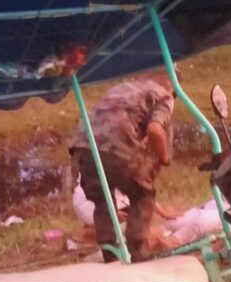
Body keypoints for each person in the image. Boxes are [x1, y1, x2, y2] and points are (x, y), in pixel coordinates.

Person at [70, 70, 174, 262]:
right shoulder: (164, 95)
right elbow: (155, 130)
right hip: (116, 145)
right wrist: (164, 157)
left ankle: (110, 254)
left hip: (83, 145)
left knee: (103, 200)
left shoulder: (122, 88)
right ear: (170, 85)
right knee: (143, 193)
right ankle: (138, 252)